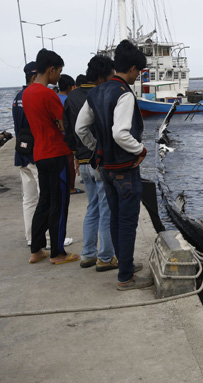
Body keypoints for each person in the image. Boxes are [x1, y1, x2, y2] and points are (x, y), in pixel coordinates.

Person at [76, 40, 152, 290]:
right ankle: (126, 277)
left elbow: (80, 128)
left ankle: (124, 266)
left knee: (115, 219)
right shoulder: (125, 94)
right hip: (125, 170)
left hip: (106, 169)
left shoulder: (95, 92)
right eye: (137, 72)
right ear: (131, 69)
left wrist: (97, 147)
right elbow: (121, 133)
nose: (137, 77)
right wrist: (139, 149)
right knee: (128, 222)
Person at [23, 48, 80, 265]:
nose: (58, 77)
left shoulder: (27, 93)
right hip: (57, 153)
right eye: (58, 72)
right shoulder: (49, 94)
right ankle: (58, 252)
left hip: (39, 153)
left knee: (44, 202)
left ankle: (36, 249)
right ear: (51, 69)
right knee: (60, 203)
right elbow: (63, 124)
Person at [65, 55, 120, 271]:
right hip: (100, 159)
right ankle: (106, 257)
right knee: (107, 210)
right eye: (110, 76)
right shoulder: (102, 94)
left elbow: (70, 132)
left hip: (83, 161)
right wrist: (98, 147)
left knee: (92, 208)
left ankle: (88, 254)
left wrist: (77, 156)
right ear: (101, 77)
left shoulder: (71, 97)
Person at [12, 62, 39, 246]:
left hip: (21, 153)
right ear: (34, 76)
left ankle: (31, 237)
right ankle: (45, 238)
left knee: (28, 199)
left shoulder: (17, 98)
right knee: (45, 198)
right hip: (36, 154)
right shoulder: (33, 96)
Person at [57, 74, 81, 195]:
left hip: (56, 137)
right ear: (70, 87)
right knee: (69, 163)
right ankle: (71, 187)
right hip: (67, 136)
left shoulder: (54, 98)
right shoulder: (68, 100)